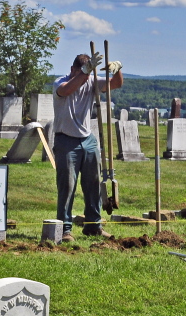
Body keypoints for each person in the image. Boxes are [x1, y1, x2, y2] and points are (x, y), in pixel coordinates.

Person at [51, 52, 123, 241]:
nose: (87, 77)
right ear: (72, 69)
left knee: (93, 185)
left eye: (89, 73)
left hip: (88, 140)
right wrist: (85, 72)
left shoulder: (90, 80)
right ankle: (65, 230)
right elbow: (67, 90)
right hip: (66, 140)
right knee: (67, 186)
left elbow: (116, 84)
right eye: (83, 71)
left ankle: (93, 226)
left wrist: (118, 69)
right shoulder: (60, 82)